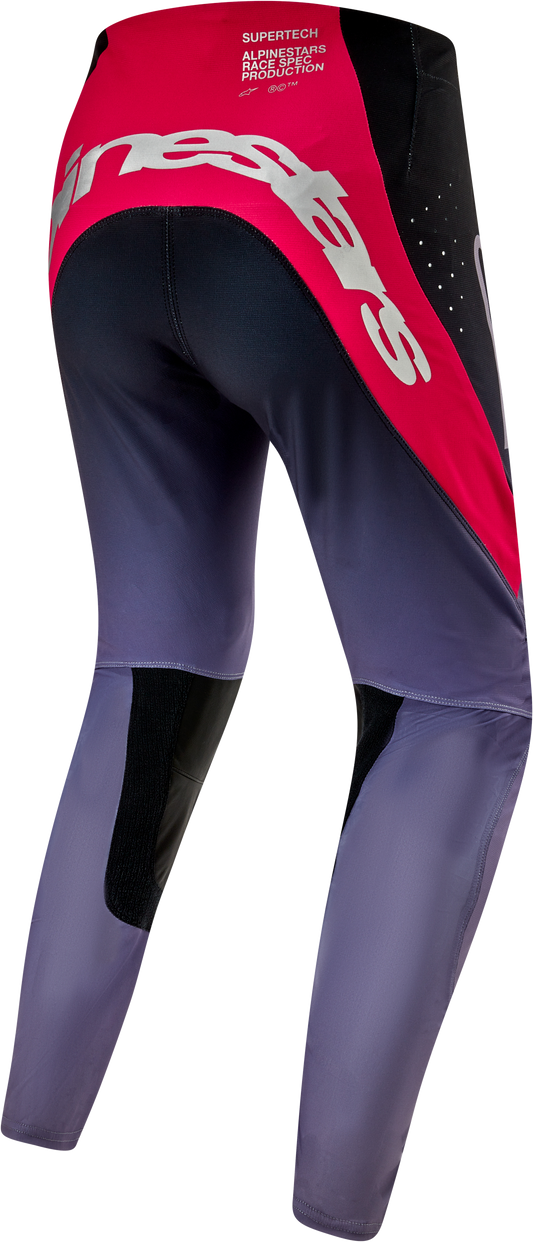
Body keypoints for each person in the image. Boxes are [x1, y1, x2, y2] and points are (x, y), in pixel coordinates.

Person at [2, 5, 530, 1239]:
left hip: (106, 155)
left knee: (149, 662)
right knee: (453, 698)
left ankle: (34, 1123)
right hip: (320, 142)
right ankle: (333, 1212)